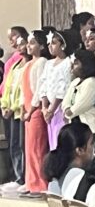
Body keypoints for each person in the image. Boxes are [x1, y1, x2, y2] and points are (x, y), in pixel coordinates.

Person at [21, 30, 52, 194]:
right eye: (28, 42)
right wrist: (22, 108)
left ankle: (40, 184)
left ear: (41, 46)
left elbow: (40, 89)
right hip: (27, 109)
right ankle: (30, 182)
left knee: (37, 148)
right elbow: (23, 88)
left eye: (32, 42)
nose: (28, 46)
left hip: (36, 110)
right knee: (29, 148)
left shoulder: (42, 62)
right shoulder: (27, 64)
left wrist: (31, 109)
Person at [38, 29, 75, 150]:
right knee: (52, 142)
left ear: (63, 45)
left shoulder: (68, 62)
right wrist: (44, 108)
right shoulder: (48, 63)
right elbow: (43, 84)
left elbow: (63, 88)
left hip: (60, 107)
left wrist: (51, 109)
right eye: (49, 43)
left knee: (60, 140)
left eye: (54, 43)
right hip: (49, 108)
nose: (50, 46)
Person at [1, 29, 28, 188]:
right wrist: (5, 105)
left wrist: (15, 106)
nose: (17, 45)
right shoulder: (15, 64)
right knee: (14, 144)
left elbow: (24, 90)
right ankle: (17, 175)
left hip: (21, 110)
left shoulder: (29, 65)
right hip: (10, 110)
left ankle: (22, 177)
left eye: (21, 43)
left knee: (22, 145)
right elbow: (8, 86)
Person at [43, 120, 95, 201]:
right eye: (91, 143)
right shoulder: (79, 176)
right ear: (80, 150)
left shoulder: (57, 174)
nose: (94, 147)